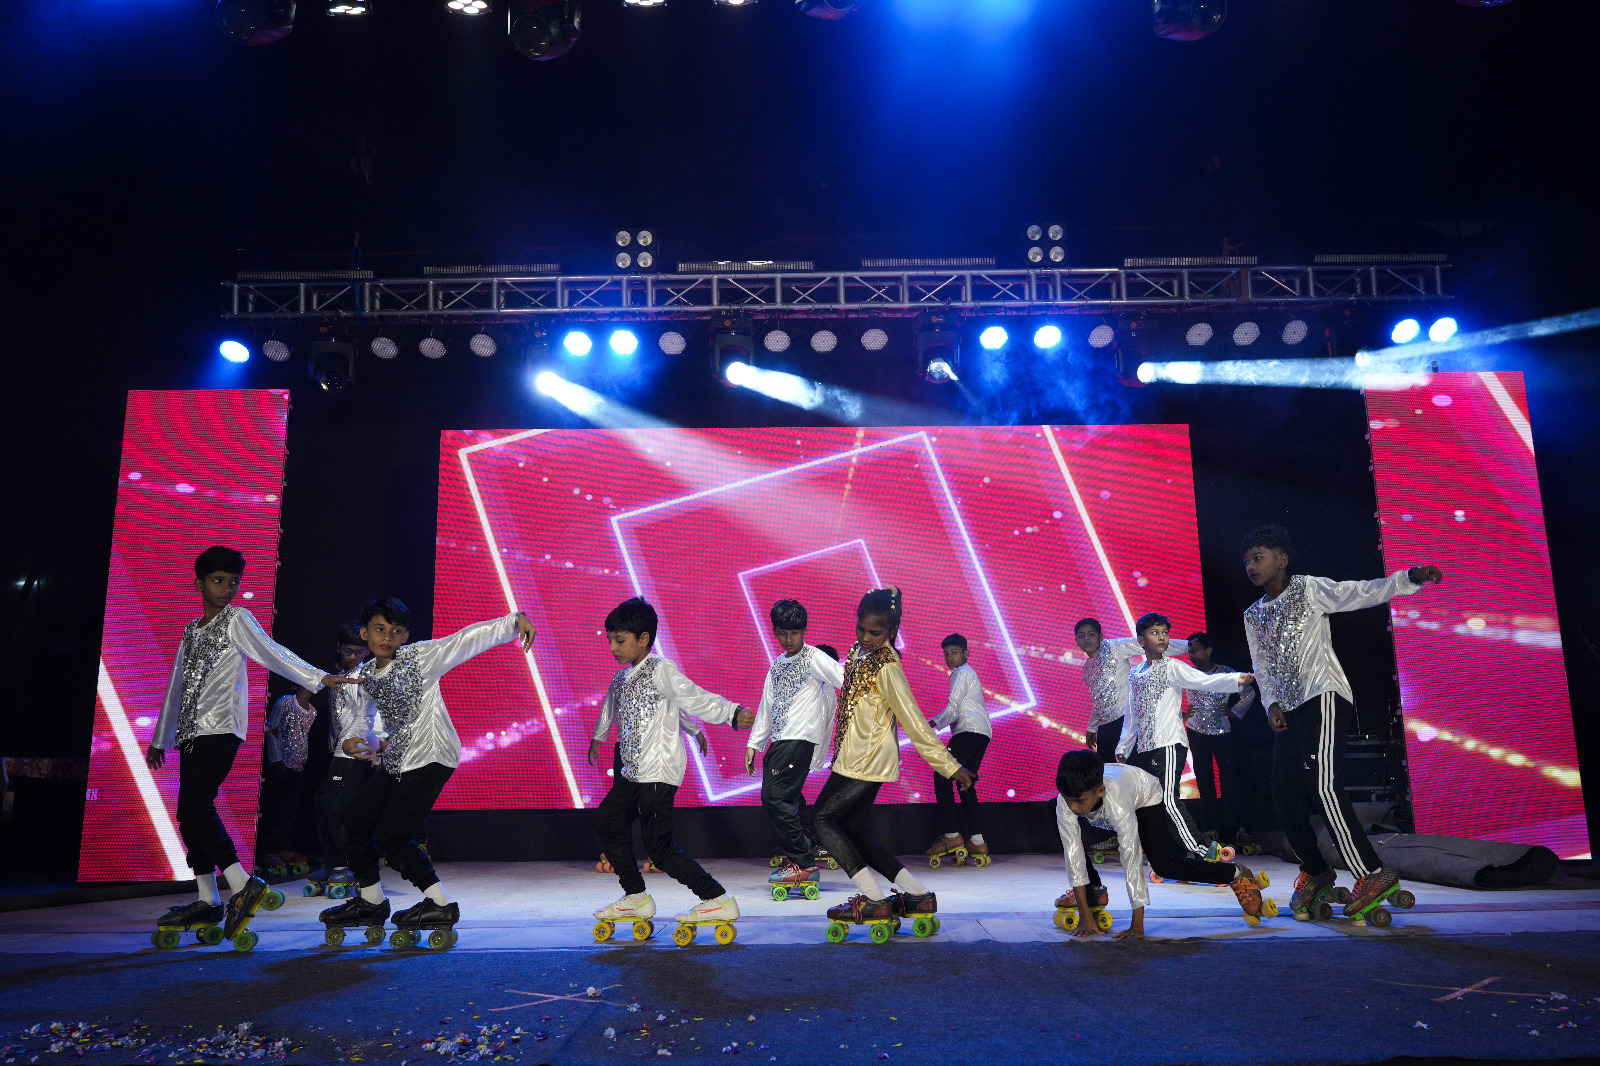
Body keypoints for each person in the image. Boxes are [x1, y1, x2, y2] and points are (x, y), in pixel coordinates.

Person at [144, 546, 356, 943]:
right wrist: (161, 738)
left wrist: (317, 677)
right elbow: (177, 685)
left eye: (233, 582)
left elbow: (272, 652)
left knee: (195, 807)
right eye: (218, 581)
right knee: (189, 814)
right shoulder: (191, 630)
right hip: (191, 732)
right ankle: (207, 898)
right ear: (199, 584)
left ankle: (242, 883)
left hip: (221, 728)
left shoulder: (237, 619)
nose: (227, 589)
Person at [1240, 525, 1443, 920]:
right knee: (1283, 791)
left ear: (1282, 559)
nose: (1250, 566)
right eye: (1246, 561)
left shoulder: (1308, 588)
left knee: (1323, 785)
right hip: (1288, 710)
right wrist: (1270, 704)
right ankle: (1315, 870)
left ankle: (1373, 873)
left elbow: (1360, 592)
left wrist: (1408, 578)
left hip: (1323, 695)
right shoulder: (1253, 614)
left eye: (1258, 558)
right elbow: (1261, 665)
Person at [317, 597, 537, 942]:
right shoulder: (368, 674)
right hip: (400, 758)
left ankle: (440, 903)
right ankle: (371, 900)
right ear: (365, 633)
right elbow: (366, 719)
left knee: (393, 837)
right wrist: (352, 741)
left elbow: (463, 641)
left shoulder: (418, 657)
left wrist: (512, 622)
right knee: (355, 817)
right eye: (379, 629)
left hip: (432, 755)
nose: (387, 637)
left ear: (405, 635)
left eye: (395, 631)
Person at [588, 597, 755, 935]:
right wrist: (598, 736)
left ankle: (716, 898)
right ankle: (636, 896)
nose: (612, 647)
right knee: (606, 822)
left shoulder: (660, 670)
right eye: (610, 640)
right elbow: (610, 708)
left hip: (658, 772)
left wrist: (732, 713)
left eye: (619, 640)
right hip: (632, 772)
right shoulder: (622, 678)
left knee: (659, 849)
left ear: (643, 638)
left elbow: (691, 697)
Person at [815, 587, 976, 931]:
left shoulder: (887, 667)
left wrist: (949, 766)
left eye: (875, 633)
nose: (866, 637)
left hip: (867, 759)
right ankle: (918, 894)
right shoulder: (858, 652)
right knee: (853, 831)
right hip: (851, 757)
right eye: (861, 629)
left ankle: (873, 899)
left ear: (892, 631)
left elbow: (914, 721)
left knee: (822, 819)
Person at [1053, 750, 1269, 940]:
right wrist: (1084, 915)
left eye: (1078, 801)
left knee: (1164, 865)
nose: (1073, 807)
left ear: (1100, 791)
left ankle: (1235, 873)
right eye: (1068, 799)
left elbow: (1132, 858)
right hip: (1109, 802)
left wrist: (1137, 926)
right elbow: (1073, 854)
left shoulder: (1117, 805)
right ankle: (1093, 891)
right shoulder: (1067, 802)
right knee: (1069, 838)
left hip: (1144, 794)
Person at [1115, 613, 1252, 860]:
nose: (1162, 637)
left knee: (1168, 800)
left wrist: (1235, 679)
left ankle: (1204, 849)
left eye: (1165, 633)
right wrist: (1123, 746)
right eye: (1155, 633)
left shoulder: (1173, 666)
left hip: (1169, 745)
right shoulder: (1135, 674)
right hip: (1146, 748)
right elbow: (1132, 713)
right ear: (1141, 641)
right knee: (1152, 802)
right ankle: (1170, 852)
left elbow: (1203, 681)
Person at [745, 600, 845, 895]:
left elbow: (845, 680)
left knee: (775, 797)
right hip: (780, 740)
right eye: (782, 633)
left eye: (795, 633)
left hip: (799, 739)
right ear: (775, 631)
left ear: (804, 630)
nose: (789, 639)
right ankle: (802, 857)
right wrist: (754, 743)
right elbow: (767, 706)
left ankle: (803, 860)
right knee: (782, 799)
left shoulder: (814, 657)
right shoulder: (777, 664)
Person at [308, 622, 372, 894]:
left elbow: (365, 716)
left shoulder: (363, 677)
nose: (354, 657)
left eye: (360, 652)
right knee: (324, 803)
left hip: (353, 751)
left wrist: (354, 747)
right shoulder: (338, 677)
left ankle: (343, 866)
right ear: (339, 649)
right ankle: (334, 863)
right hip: (340, 751)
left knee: (334, 807)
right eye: (349, 651)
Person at [1182, 631, 1258, 850]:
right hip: (1196, 730)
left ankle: (1234, 828)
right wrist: (1182, 714)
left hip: (1222, 731)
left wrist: (1234, 711)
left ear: (1208, 651)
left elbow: (1249, 693)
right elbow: (1170, 695)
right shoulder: (1187, 673)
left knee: (1229, 779)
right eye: (1189, 650)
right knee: (1204, 779)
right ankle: (1211, 828)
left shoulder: (1225, 672)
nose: (1191, 654)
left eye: (1196, 649)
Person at [1074, 618, 1188, 763]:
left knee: (1130, 770)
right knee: (1108, 772)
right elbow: (1099, 699)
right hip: (1105, 729)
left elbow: (1150, 643)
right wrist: (1092, 727)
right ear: (1076, 641)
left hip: (1127, 722)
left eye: (1091, 634)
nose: (1086, 639)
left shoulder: (1113, 647)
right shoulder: (1087, 667)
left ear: (1100, 637)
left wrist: (1189, 647)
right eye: (1081, 636)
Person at [925, 633, 993, 866]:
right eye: (946, 654)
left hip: (968, 730)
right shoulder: (967, 672)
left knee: (942, 774)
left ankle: (952, 836)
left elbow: (953, 708)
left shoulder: (961, 672)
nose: (949, 658)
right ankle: (977, 841)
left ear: (966, 653)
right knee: (966, 783)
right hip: (981, 732)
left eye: (954, 653)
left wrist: (931, 724)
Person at [256, 681, 316, 874]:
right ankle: (269, 850)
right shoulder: (285, 702)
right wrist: (276, 759)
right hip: (282, 762)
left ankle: (284, 848)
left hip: (299, 764)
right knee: (276, 806)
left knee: (291, 808)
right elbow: (272, 729)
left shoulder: (312, 711)